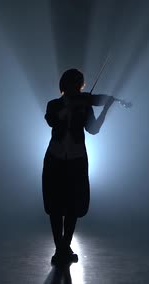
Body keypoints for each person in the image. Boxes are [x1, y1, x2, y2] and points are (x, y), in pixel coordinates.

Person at [42, 68, 115, 265]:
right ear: (65, 86)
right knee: (56, 206)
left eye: (79, 85)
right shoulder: (54, 104)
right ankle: (60, 248)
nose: (77, 89)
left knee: (73, 205)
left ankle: (65, 246)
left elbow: (93, 130)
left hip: (76, 158)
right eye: (74, 85)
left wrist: (106, 108)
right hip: (55, 158)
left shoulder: (85, 105)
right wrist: (69, 107)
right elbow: (52, 121)